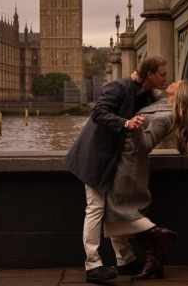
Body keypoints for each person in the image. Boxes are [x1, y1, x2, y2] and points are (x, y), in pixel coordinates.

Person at [62, 56, 168, 283]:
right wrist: (126, 123)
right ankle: (92, 265)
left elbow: (164, 97)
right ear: (150, 74)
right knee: (96, 208)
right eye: (162, 74)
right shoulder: (117, 86)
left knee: (113, 208)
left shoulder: (146, 91)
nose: (166, 79)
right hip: (95, 156)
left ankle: (125, 260)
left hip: (114, 159)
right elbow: (98, 113)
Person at [103, 80, 188, 280]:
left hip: (129, 167)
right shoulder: (163, 102)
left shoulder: (165, 118)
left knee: (122, 213)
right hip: (123, 162)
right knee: (119, 214)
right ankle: (141, 261)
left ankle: (159, 234)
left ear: (180, 91)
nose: (172, 81)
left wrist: (136, 128)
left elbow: (145, 145)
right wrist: (139, 78)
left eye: (176, 82)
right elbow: (152, 89)